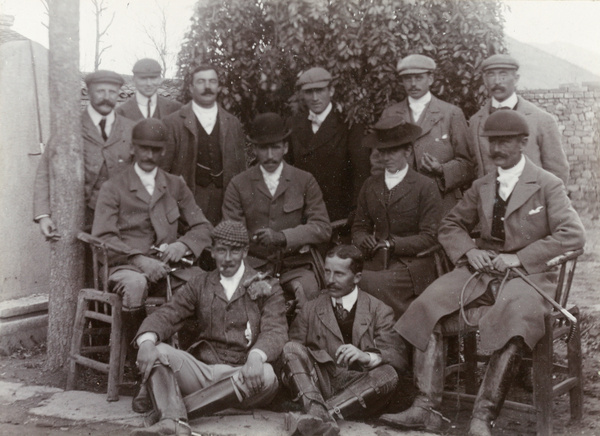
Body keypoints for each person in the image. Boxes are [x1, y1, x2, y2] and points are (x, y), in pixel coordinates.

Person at [381, 110, 586, 435]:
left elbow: (573, 235)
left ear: (522, 142)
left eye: (506, 141)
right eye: (493, 142)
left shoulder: (548, 184)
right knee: (426, 304)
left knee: (516, 316)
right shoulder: (482, 186)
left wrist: (518, 258)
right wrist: (469, 250)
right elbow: (450, 224)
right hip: (481, 272)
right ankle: (426, 408)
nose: (498, 149)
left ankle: (481, 417)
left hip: (528, 279)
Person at [131, 220, 288, 436]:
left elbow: (276, 330)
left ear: (245, 251)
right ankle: (176, 415)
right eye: (221, 251)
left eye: (234, 251)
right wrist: (147, 341)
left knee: (268, 374)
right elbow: (169, 314)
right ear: (212, 252)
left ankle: (173, 415)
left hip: (245, 374)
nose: (227, 258)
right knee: (159, 351)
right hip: (204, 372)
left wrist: (256, 357)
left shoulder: (267, 284)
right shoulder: (200, 283)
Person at [91, 118, 212, 371]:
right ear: (132, 148)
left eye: (155, 149)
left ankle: (191, 362)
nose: (149, 154)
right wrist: (139, 260)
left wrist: (183, 245)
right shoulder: (113, 187)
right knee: (136, 285)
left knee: (204, 283)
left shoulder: (175, 185)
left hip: (171, 268)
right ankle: (138, 365)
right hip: (127, 266)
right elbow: (103, 236)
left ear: (164, 151)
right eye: (143, 147)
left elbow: (202, 226)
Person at [282, 244, 407, 436]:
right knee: (290, 348)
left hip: (361, 388)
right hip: (320, 384)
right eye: (327, 272)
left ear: (357, 277)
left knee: (388, 373)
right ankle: (322, 414)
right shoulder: (311, 308)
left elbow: (398, 356)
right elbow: (293, 355)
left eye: (339, 274)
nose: (330, 280)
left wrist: (367, 356)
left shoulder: (379, 310)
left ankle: (320, 415)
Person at [222, 112, 332, 311]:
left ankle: (303, 342)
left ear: (285, 148)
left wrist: (283, 237)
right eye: (264, 148)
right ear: (254, 149)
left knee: (309, 292)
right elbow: (231, 235)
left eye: (276, 147)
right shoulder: (238, 185)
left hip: (295, 265)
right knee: (242, 303)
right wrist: (248, 272)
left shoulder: (304, 180)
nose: (270, 155)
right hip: (252, 266)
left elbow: (322, 227)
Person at [352, 116, 442, 319]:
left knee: (366, 281)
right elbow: (359, 227)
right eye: (382, 151)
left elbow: (430, 236)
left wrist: (393, 244)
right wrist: (362, 239)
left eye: (392, 151)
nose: (386, 157)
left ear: (408, 151)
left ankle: (396, 334)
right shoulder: (371, 185)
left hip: (413, 265)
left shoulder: (425, 186)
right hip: (376, 260)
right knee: (344, 278)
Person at [33, 70, 135, 238]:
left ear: (119, 94)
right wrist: (43, 215)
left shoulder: (131, 128)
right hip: (80, 216)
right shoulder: (70, 127)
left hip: (121, 217)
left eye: (112, 92)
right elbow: (45, 170)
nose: (106, 97)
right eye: (100, 91)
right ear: (88, 93)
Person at [376, 54, 475, 215]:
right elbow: (378, 162)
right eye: (408, 78)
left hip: (442, 204)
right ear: (402, 81)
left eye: (419, 77)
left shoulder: (451, 114)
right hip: (399, 206)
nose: (413, 84)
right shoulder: (390, 114)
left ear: (430, 79)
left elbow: (468, 165)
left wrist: (442, 169)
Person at [162, 64, 246, 225]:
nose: (207, 87)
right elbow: (163, 172)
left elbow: (241, 168)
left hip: (224, 202)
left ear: (219, 87)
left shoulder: (233, 123)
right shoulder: (172, 123)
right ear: (191, 88)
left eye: (212, 81)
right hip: (188, 202)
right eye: (201, 81)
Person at [286, 67, 370, 222]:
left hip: (339, 215)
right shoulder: (294, 124)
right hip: (303, 213)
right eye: (309, 92)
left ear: (331, 91)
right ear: (302, 95)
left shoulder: (349, 124)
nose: (315, 97)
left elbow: (361, 173)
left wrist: (356, 212)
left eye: (320, 90)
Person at [469, 53, 569, 185]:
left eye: (503, 75)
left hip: (531, 202)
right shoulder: (476, 121)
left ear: (516, 78)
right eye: (491, 75)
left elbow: (558, 172)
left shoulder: (542, 120)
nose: (497, 81)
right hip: (490, 202)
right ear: (484, 79)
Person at [116, 58, 182, 121]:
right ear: (134, 79)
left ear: (159, 79)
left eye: (153, 78)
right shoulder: (120, 112)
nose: (149, 84)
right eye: (143, 78)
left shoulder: (175, 109)